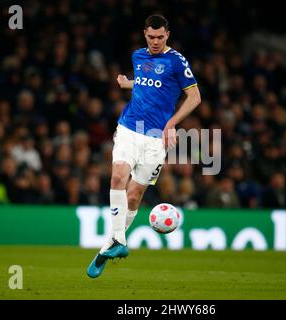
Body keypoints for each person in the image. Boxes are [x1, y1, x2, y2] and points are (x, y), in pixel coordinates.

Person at [87, 14, 201, 278]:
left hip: (155, 138)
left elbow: (195, 97)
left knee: (134, 196)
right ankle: (119, 241)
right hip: (128, 129)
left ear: (168, 35)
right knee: (117, 176)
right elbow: (150, 85)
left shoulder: (176, 61)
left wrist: (171, 124)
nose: (156, 42)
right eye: (151, 37)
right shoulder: (138, 56)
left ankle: (110, 245)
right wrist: (129, 83)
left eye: (160, 37)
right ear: (144, 34)